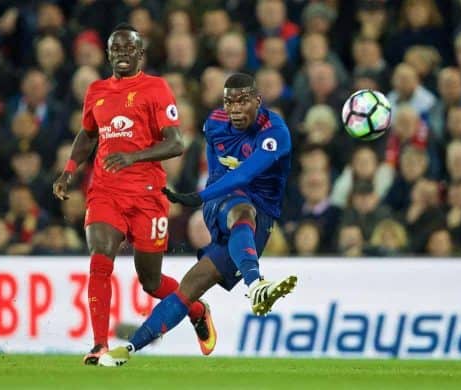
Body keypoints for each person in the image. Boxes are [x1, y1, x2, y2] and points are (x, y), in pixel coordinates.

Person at [97, 72, 297, 367]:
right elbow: (222, 172)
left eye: (243, 102)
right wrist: (207, 199)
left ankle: (128, 348)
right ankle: (256, 286)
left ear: (258, 101)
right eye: (229, 102)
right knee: (241, 209)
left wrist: (197, 196)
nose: (235, 109)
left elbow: (245, 173)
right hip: (222, 202)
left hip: (258, 215)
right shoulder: (215, 123)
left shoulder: (275, 133)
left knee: (191, 286)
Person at [52, 24, 214, 365]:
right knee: (100, 258)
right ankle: (98, 345)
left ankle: (197, 309)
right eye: (117, 49)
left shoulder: (156, 89)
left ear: (141, 54)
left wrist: (133, 156)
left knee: (151, 282)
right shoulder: (96, 91)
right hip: (105, 192)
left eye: (130, 50)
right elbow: (87, 134)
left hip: (146, 195)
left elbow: (175, 143)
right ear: (109, 53)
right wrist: (69, 170)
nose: (123, 55)